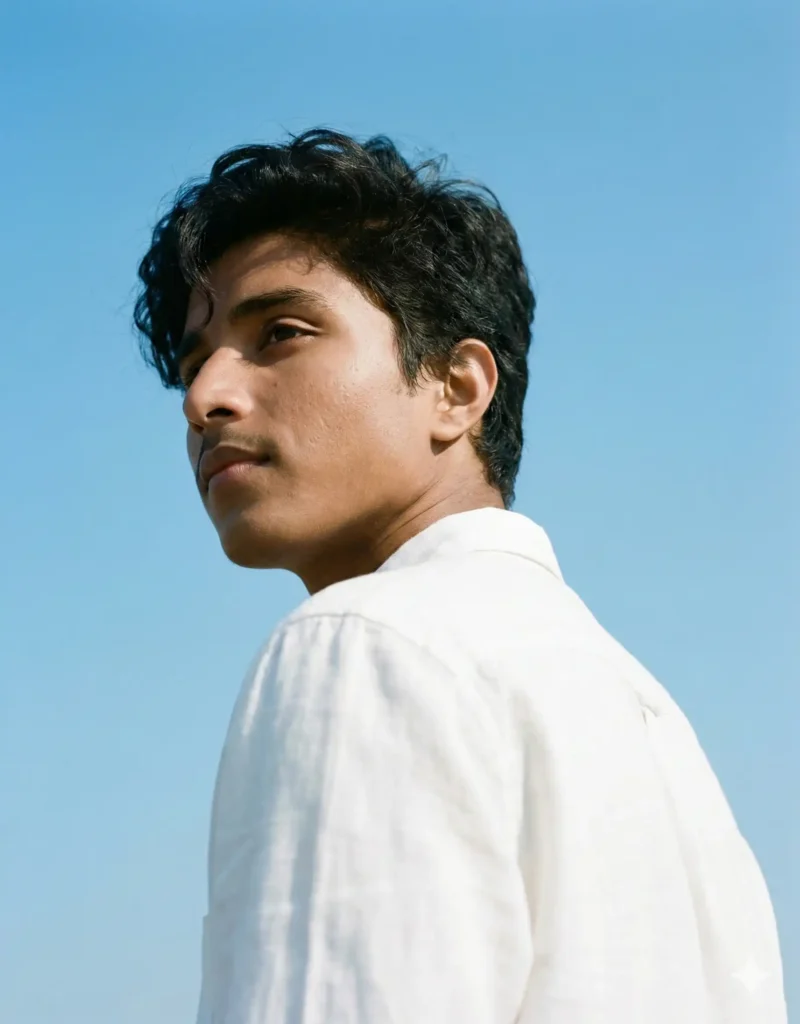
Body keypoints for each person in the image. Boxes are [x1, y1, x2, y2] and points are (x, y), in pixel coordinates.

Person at [134, 128, 786, 1024]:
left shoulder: (359, 645)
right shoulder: (651, 723)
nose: (205, 397)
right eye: (193, 360)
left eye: (281, 332)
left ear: (457, 385)